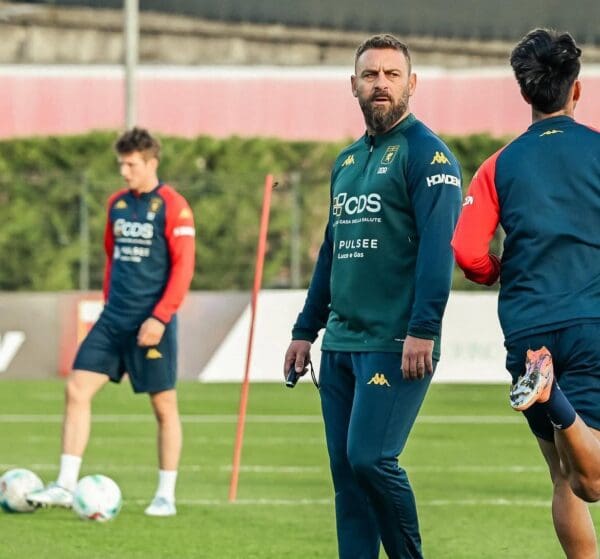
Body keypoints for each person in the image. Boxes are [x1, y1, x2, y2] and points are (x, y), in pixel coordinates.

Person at [284, 34, 462, 559]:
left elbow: (439, 250)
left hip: (395, 342)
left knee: (371, 458)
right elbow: (331, 252)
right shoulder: (346, 162)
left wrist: (423, 329)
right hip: (340, 344)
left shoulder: (428, 155)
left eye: (391, 74)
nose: (380, 83)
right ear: (354, 84)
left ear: (412, 83)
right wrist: (304, 331)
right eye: (370, 75)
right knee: (347, 477)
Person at [452, 28, 600, 558]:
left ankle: (546, 387)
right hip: (591, 323)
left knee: (562, 477)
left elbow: (466, 251)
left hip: (528, 330)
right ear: (576, 89)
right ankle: (552, 394)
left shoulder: (498, 165)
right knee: (591, 481)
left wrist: (495, 270)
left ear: (525, 93)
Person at [27, 127, 196, 517]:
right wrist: (108, 304)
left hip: (151, 323)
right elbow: (111, 258)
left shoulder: (174, 206)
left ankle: (165, 495)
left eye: (131, 164)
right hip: (113, 320)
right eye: (121, 164)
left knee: (164, 406)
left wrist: (160, 317)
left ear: (151, 163)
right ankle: (65, 484)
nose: (124, 171)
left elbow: (184, 268)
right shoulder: (116, 205)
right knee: (76, 389)